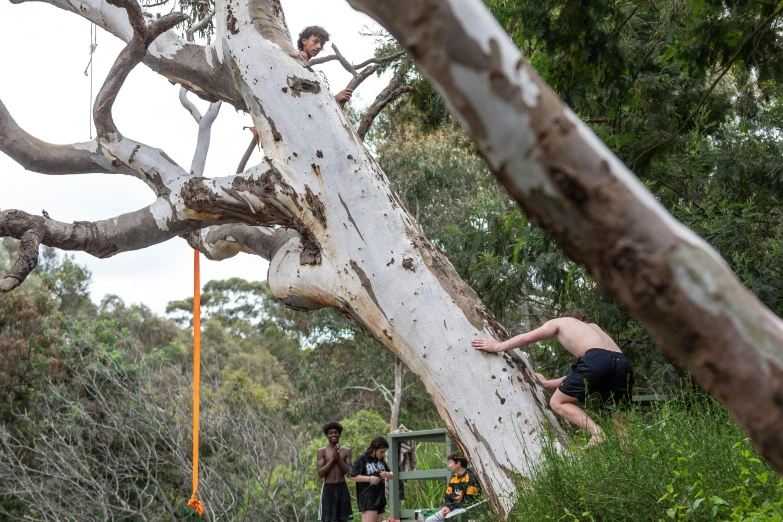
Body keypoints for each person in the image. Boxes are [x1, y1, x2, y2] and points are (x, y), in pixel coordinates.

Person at [472, 310, 634, 448]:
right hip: (622, 363)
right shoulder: (595, 329)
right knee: (619, 414)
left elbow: (527, 338)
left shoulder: (559, 322)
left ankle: (597, 434)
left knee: (557, 402)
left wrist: (497, 346)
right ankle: (631, 452)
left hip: (596, 361)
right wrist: (548, 383)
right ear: (584, 321)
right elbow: (592, 368)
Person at [297, 25, 352, 103]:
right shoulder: (302, 55)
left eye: (321, 44)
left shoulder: (304, 59)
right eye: (315, 41)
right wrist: (335, 98)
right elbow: (307, 94)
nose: (319, 46)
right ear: (304, 41)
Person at [424, 451, 481, 522]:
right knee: (429, 520)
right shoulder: (453, 478)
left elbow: (469, 501)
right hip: (453, 509)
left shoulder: (471, 477)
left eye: (451, 462)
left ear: (458, 464)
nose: (449, 465)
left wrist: (450, 509)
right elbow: (448, 496)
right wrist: (446, 507)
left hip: (466, 510)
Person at [347, 436, 394, 522]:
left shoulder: (380, 460)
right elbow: (351, 475)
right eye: (381, 451)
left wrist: (387, 474)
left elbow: (392, 474)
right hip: (368, 499)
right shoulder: (362, 458)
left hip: (380, 498)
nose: (383, 454)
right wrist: (369, 479)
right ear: (375, 448)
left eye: (384, 452)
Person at [317, 421, 353, 522]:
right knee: (328, 519)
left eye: (336, 432)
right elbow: (320, 473)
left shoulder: (346, 451)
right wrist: (333, 459)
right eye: (331, 433)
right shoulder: (322, 452)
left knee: (343, 519)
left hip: (342, 488)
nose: (333, 435)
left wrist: (339, 459)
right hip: (328, 489)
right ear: (327, 435)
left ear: (339, 434)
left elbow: (350, 473)